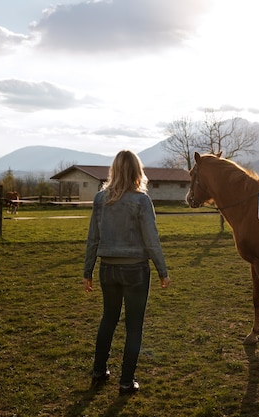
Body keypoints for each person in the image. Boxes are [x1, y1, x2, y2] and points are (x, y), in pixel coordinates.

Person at [83, 149, 171, 395]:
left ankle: (99, 371)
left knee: (108, 318)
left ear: (114, 170)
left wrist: (87, 270)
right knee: (134, 325)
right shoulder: (141, 200)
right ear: (136, 171)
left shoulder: (101, 199)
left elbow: (93, 238)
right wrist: (163, 271)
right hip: (136, 271)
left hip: (107, 269)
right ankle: (126, 380)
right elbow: (151, 240)